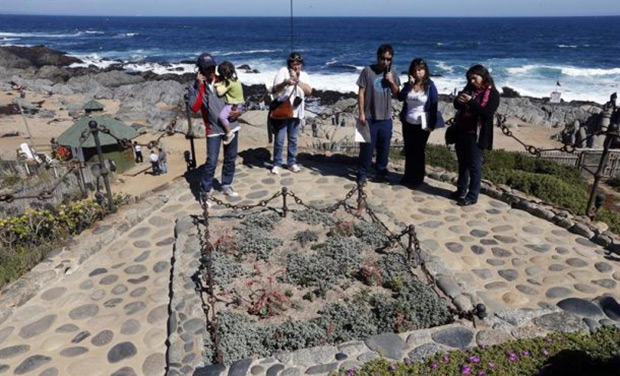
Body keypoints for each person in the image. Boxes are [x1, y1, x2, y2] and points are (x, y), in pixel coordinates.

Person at [189, 53, 241, 206]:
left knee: (230, 158)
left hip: (231, 126)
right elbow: (194, 107)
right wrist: (198, 86)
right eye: (207, 68)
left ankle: (226, 184)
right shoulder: (195, 86)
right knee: (211, 162)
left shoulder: (223, 80)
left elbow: (237, 96)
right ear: (200, 70)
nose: (211, 70)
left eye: (213, 67)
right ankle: (204, 193)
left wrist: (239, 111)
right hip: (212, 129)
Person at [452, 64, 500, 206]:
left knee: (474, 166)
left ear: (483, 77)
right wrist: (459, 101)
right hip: (462, 131)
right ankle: (460, 190)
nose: (472, 82)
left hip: (477, 134)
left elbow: (486, 113)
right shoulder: (469, 89)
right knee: (462, 163)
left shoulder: (493, 94)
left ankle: (472, 196)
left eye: (474, 78)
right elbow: (457, 106)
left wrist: (471, 102)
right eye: (470, 79)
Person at [356, 44, 401, 184]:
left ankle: (381, 172)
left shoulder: (392, 72)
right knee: (366, 149)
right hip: (369, 117)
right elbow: (361, 92)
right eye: (383, 58)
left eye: (388, 59)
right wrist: (361, 113)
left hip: (386, 118)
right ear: (378, 56)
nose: (385, 62)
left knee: (384, 149)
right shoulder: (367, 71)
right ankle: (362, 173)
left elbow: (397, 93)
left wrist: (391, 81)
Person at [397, 58, 439, 187]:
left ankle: (417, 178)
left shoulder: (430, 86)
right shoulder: (409, 84)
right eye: (415, 70)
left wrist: (431, 124)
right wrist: (409, 85)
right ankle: (408, 176)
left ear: (425, 71)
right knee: (409, 150)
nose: (418, 72)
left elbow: (433, 105)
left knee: (419, 151)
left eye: (420, 70)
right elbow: (400, 97)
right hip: (408, 122)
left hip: (422, 124)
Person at [270, 51, 312, 174]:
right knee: (280, 138)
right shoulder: (282, 72)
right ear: (289, 64)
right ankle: (277, 163)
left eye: (298, 64)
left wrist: (297, 80)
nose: (296, 66)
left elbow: (309, 91)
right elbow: (275, 89)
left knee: (293, 138)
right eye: (294, 63)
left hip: (296, 111)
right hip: (283, 110)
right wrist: (286, 82)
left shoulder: (304, 75)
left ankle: (291, 162)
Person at [214, 61, 244, 145]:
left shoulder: (229, 82)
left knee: (222, 117)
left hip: (233, 105)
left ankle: (229, 133)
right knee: (230, 118)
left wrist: (216, 85)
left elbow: (220, 92)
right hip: (239, 104)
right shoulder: (236, 80)